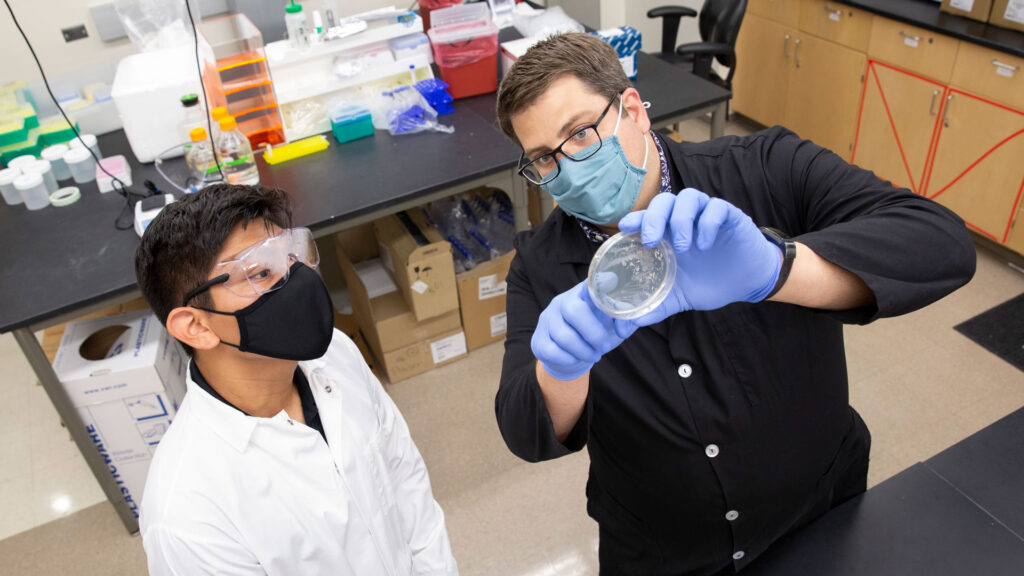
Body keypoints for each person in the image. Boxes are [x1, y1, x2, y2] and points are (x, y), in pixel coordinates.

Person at [494, 33, 975, 575]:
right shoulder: (538, 268)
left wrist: (777, 269)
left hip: (817, 515)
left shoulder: (765, 168)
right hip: (663, 554)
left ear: (632, 109)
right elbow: (524, 432)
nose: (569, 167)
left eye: (580, 133)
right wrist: (561, 372)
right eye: (543, 159)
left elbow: (940, 244)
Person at [134, 184, 458, 576]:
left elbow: (407, 483)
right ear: (196, 326)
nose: (295, 280)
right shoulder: (187, 514)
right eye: (259, 272)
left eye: (291, 256)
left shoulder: (334, 353)